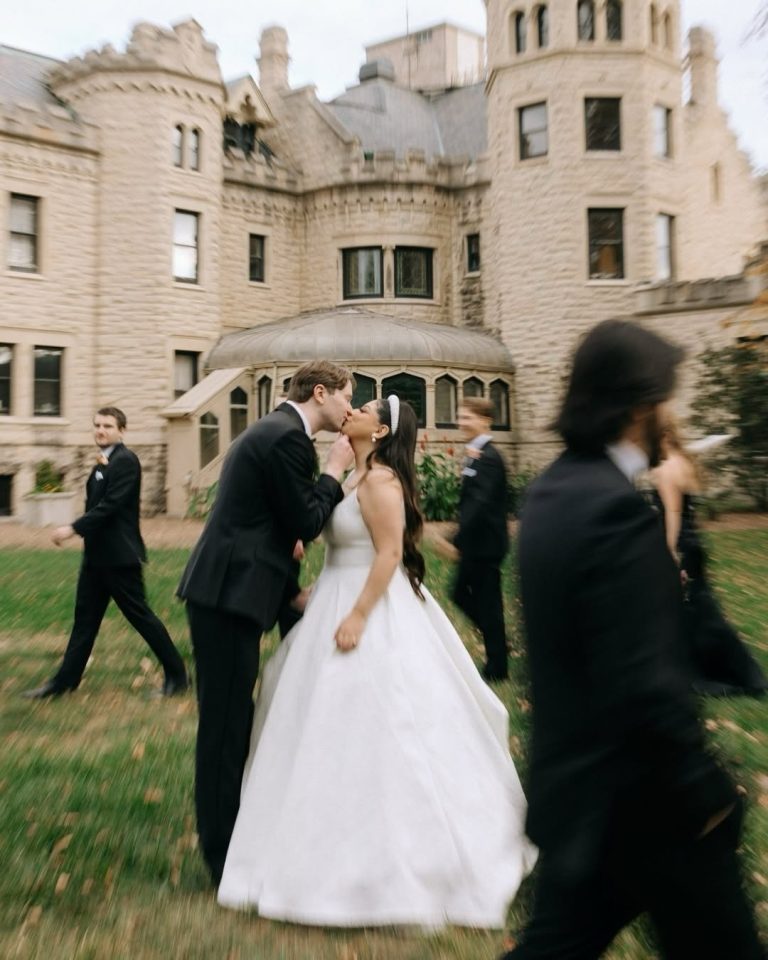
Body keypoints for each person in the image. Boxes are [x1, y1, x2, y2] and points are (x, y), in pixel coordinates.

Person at [217, 396, 537, 927]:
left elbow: (388, 553)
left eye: (363, 407)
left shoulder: (382, 480)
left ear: (382, 428)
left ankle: (406, 864)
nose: (353, 411)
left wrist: (360, 615)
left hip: (370, 607)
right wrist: (318, 586)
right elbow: (347, 545)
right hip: (337, 597)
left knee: (382, 717)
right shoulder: (358, 474)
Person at [504, 320, 764, 959]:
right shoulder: (614, 511)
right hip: (653, 805)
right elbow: (645, 681)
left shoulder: (551, 492)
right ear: (640, 408)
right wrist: (706, 797)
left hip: (580, 798)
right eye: (663, 403)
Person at [177, 361, 355, 886]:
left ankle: (246, 831)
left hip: (239, 589)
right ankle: (220, 854)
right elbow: (305, 520)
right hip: (228, 597)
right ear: (320, 393)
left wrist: (290, 594)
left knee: (238, 719)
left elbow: (271, 523)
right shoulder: (289, 441)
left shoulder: (274, 430)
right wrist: (336, 469)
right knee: (225, 727)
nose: (349, 409)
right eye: (347, 397)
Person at [23, 407, 188, 700]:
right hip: (96, 558)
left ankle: (177, 676)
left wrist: (72, 528)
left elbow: (109, 507)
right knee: (84, 620)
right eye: (97, 425)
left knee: (141, 617)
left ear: (121, 430)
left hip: (119, 558)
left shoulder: (126, 461)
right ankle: (64, 682)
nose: (100, 430)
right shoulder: (102, 462)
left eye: (107, 426)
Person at [651, 417, 767, 697]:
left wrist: (670, 555)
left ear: (661, 434)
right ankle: (718, 669)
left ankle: (739, 673)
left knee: (700, 611)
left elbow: (673, 514)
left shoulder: (666, 468)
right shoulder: (684, 460)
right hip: (694, 544)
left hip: (680, 545)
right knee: (694, 609)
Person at [451, 396, 510, 681]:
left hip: (485, 545)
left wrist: (456, 539)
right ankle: (496, 645)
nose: (462, 422)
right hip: (476, 543)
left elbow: (480, 503)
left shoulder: (488, 457)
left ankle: (497, 664)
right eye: (461, 417)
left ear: (485, 421)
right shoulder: (476, 453)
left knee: (485, 603)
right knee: (463, 595)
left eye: (468, 417)